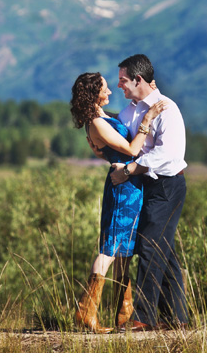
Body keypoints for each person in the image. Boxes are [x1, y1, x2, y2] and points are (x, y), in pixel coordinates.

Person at [69, 72, 168, 333]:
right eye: (104, 88)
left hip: (131, 184)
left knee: (124, 249)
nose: (110, 91)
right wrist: (147, 120)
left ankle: (123, 315)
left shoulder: (102, 118)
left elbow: (115, 151)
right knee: (110, 248)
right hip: (121, 186)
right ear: (94, 92)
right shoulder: (96, 123)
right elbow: (132, 150)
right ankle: (86, 312)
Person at [108, 54, 189, 332]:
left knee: (149, 246)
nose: (119, 85)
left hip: (167, 185)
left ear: (138, 79)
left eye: (122, 80)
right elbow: (124, 143)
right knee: (163, 251)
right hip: (145, 187)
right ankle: (177, 318)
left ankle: (143, 318)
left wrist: (129, 170)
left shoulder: (167, 109)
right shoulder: (129, 112)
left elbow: (167, 154)